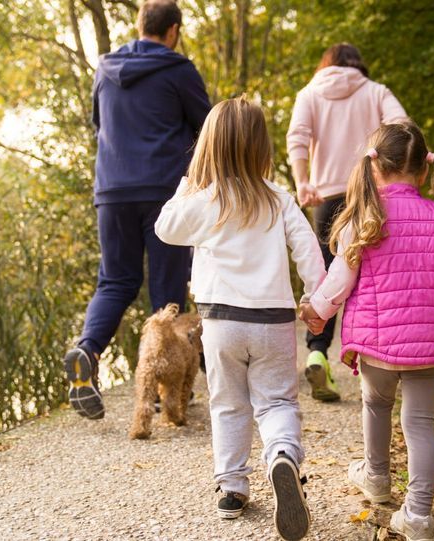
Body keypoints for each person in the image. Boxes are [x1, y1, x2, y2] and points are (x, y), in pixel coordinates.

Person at [299, 122, 434, 541]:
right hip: (431, 339)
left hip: (379, 342)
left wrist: (318, 312)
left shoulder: (365, 217)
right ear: (423, 172)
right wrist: (430, 318)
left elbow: (339, 281)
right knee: (420, 422)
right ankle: (417, 515)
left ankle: (377, 477)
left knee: (377, 404)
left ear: (374, 168)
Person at [155, 97, 324, 541]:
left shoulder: (205, 199)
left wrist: (189, 184)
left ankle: (231, 488)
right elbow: (308, 251)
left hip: (220, 323)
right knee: (277, 403)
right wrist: (315, 299)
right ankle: (282, 456)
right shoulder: (279, 198)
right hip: (273, 322)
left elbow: (165, 228)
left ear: (208, 147)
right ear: (260, 147)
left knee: (227, 404)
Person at [63, 0, 211, 420]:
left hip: (112, 189)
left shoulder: (104, 70)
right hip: (164, 190)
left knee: (115, 281)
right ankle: (168, 394)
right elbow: (209, 129)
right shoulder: (179, 69)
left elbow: (99, 126)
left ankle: (87, 351)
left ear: (139, 25)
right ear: (173, 31)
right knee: (167, 291)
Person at [286, 43, 408, 402]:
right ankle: (387, 360)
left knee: (328, 278)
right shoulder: (375, 92)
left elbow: (297, 137)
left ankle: (317, 352)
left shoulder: (309, 94)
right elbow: (404, 127)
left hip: (324, 198)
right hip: (370, 194)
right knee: (375, 275)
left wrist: (301, 181)